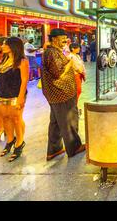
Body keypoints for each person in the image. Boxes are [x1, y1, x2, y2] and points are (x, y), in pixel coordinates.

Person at [42, 29, 85, 161]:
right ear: (54, 39)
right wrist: (70, 63)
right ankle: (74, 147)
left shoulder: (54, 52)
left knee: (55, 123)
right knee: (69, 120)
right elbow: (58, 72)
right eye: (62, 38)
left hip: (57, 94)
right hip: (61, 93)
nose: (65, 41)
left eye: (66, 38)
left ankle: (54, 149)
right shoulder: (52, 53)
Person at [0, 37, 29, 162]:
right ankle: (10, 140)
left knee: (16, 118)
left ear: (13, 46)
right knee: (5, 118)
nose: (2, 46)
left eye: (5, 44)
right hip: (2, 93)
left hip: (16, 94)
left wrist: (21, 98)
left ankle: (19, 143)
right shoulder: (4, 59)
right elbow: (0, 74)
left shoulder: (22, 61)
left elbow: (24, 80)